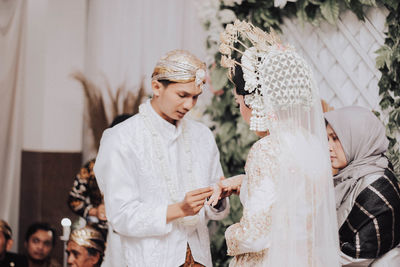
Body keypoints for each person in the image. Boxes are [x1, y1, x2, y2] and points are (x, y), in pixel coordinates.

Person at [212, 20, 340, 266]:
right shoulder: (312, 143)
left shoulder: (267, 149)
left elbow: (255, 234)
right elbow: (289, 198)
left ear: (255, 101)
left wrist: (231, 234)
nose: (240, 109)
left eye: (239, 102)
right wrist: (244, 182)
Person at [94, 49, 230, 267]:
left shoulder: (202, 136)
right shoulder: (122, 138)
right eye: (182, 95)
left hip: (199, 258)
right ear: (156, 87)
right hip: (148, 259)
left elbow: (215, 202)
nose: (189, 105)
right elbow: (120, 216)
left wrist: (219, 197)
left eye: (195, 97)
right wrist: (179, 209)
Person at [325, 106, 400, 266]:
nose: (329, 147)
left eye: (336, 138)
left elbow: (357, 256)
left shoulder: (378, 187)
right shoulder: (353, 175)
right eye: (327, 139)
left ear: (358, 137)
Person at [68, 114, 132, 267]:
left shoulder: (141, 168)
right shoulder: (93, 167)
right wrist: (94, 211)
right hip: (99, 236)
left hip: (131, 232)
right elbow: (74, 199)